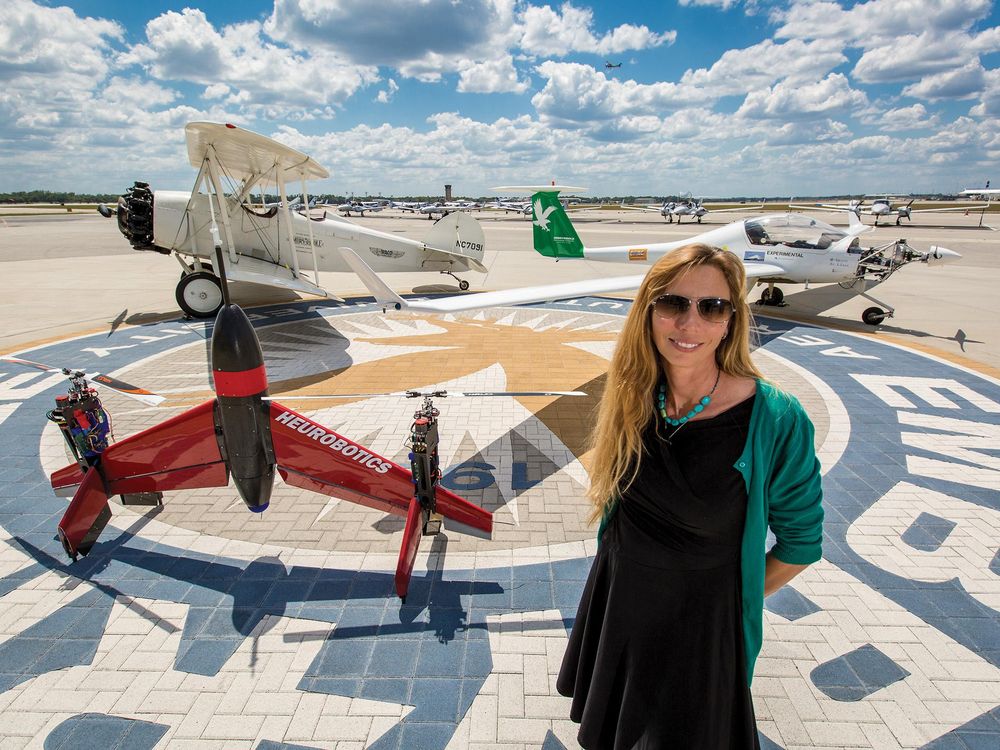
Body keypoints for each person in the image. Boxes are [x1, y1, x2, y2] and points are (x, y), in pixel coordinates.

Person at [557, 243, 824, 749]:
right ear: (649, 312)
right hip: (620, 609)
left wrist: (728, 599)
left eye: (712, 307)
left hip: (700, 634)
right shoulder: (633, 393)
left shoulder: (776, 419)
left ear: (731, 321)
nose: (689, 323)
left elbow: (801, 544)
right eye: (673, 303)